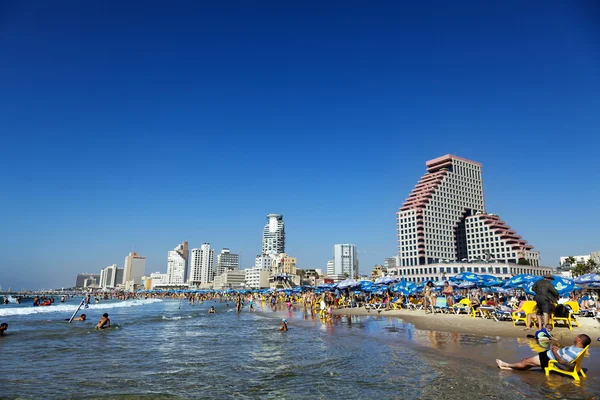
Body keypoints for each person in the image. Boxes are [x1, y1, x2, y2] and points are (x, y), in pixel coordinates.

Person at [496, 334, 591, 371]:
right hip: (550, 355)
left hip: (550, 359)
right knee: (528, 363)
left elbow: (562, 362)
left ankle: (505, 364)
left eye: (577, 337)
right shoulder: (577, 348)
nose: (575, 337)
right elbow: (565, 356)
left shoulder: (574, 352)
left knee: (525, 361)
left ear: (580, 341)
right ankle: (508, 368)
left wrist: (554, 351)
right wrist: (558, 349)